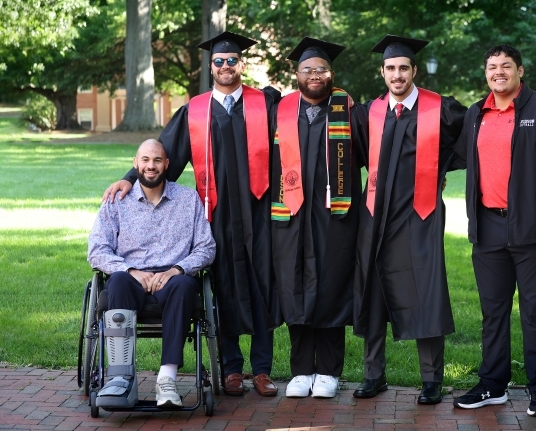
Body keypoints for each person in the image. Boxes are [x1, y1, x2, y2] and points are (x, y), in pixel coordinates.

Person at [102, 31, 283, 397]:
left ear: (241, 65)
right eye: (219, 61)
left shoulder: (264, 105)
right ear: (210, 65)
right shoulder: (195, 111)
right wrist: (127, 179)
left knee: (263, 283)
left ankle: (262, 369)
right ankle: (232, 368)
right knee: (223, 286)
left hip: (259, 211)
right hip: (214, 213)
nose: (225, 66)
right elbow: (161, 156)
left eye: (232, 60)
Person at [451, 44, 536, 416]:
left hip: (532, 227)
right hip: (488, 226)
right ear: (486, 73)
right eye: (492, 67)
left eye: (506, 66)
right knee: (492, 313)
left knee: (535, 312)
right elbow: (457, 154)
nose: (498, 72)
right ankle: (493, 386)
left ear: (520, 71)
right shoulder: (477, 113)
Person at [351, 35, 466, 405]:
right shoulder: (370, 112)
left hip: (421, 215)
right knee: (374, 290)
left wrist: (441, 166)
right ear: (382, 72)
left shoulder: (440, 108)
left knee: (426, 290)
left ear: (414, 71)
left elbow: (469, 140)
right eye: (390, 68)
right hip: (375, 215)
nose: (397, 75)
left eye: (403, 68)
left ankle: (432, 379)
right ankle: (373, 374)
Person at [270, 37, 368, 398]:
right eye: (307, 69)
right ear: (296, 74)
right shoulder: (279, 112)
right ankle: (301, 370)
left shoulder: (350, 112)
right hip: (290, 216)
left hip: (335, 218)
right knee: (294, 285)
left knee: (331, 284)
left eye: (321, 70)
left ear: (332, 75)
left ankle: (328, 370)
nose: (314, 75)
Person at [88, 139, 216, 408]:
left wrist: (176, 269)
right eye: (145, 160)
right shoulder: (117, 202)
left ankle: (167, 379)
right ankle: (120, 377)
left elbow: (207, 247)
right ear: (135, 164)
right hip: (130, 281)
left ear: (167, 164)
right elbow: (97, 250)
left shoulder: (187, 199)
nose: (151, 165)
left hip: (172, 282)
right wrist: (131, 270)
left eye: (157, 160)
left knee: (184, 285)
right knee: (119, 280)